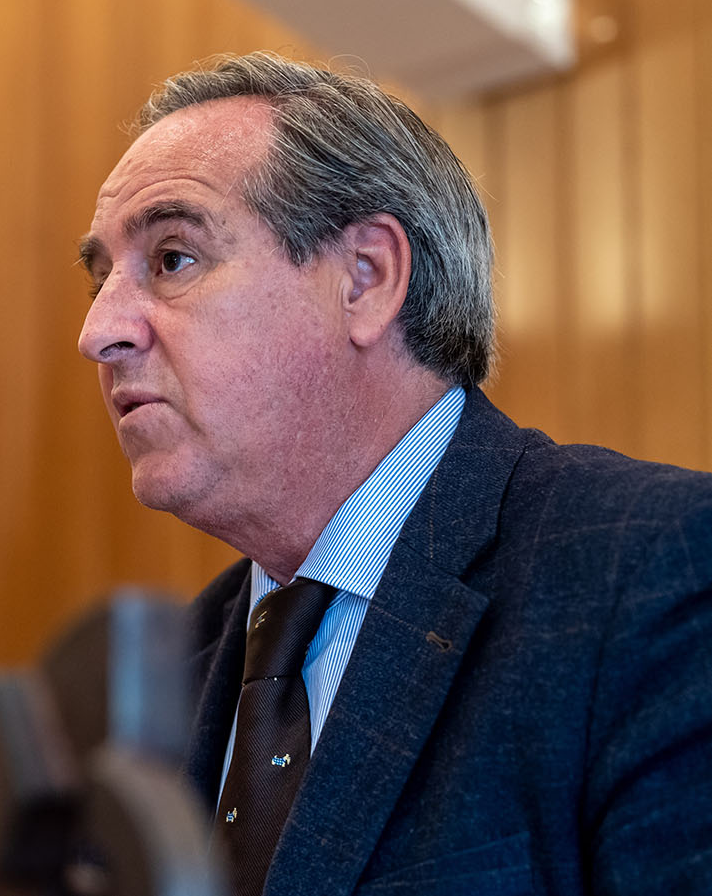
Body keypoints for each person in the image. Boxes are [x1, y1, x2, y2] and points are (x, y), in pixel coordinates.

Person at [76, 51, 712, 895]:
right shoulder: (162, 678)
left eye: (171, 258)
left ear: (367, 279)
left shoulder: (651, 575)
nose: (99, 329)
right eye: (100, 275)